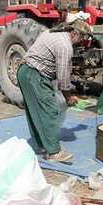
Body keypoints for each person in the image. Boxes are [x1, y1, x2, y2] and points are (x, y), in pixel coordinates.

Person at [16, 18, 95, 162]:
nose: (82, 44)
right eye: (82, 40)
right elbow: (63, 75)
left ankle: (44, 148)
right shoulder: (65, 46)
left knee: (37, 112)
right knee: (50, 110)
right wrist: (68, 97)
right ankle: (53, 153)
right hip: (33, 75)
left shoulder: (55, 33)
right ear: (73, 34)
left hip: (26, 71)